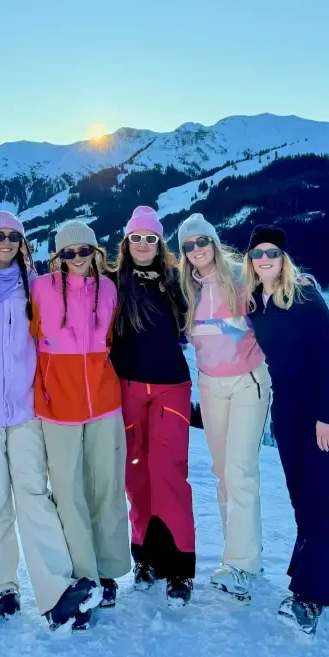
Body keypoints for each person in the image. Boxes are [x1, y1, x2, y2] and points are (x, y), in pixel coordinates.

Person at [0, 211, 102, 631]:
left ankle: (56, 592)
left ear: (22, 242)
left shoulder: (35, 285)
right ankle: (1, 586)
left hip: (24, 409)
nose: (5, 241)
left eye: (13, 236)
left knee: (35, 494)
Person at [243, 225, 329, 637]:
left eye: (272, 252)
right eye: (257, 254)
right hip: (287, 411)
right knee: (300, 497)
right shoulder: (255, 301)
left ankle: (311, 597)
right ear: (250, 260)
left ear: (283, 258)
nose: (265, 259)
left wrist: (327, 415)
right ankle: (307, 568)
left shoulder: (304, 296)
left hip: (324, 410)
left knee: (318, 499)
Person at [30, 219, 131, 628]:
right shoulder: (40, 289)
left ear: (95, 252)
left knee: (106, 488)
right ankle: (84, 573)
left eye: (83, 251)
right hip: (58, 406)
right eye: (67, 253)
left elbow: (111, 340)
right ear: (57, 257)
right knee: (69, 494)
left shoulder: (108, 289)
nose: (75, 259)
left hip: (104, 403)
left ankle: (108, 571)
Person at [178, 214, 270, 603]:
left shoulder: (240, 277)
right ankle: (242, 555)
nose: (198, 250)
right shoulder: (186, 290)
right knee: (221, 472)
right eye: (189, 246)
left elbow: (277, 285)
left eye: (203, 242)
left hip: (248, 380)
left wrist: (302, 283)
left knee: (240, 470)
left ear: (214, 243)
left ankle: (242, 563)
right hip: (211, 385)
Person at [110, 206, 195, 605]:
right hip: (126, 388)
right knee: (135, 474)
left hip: (170, 389)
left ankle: (178, 567)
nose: (143, 245)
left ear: (160, 244)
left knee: (169, 473)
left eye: (150, 238)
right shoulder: (112, 284)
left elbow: (219, 292)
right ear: (126, 243)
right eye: (136, 238)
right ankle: (145, 557)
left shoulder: (177, 283)